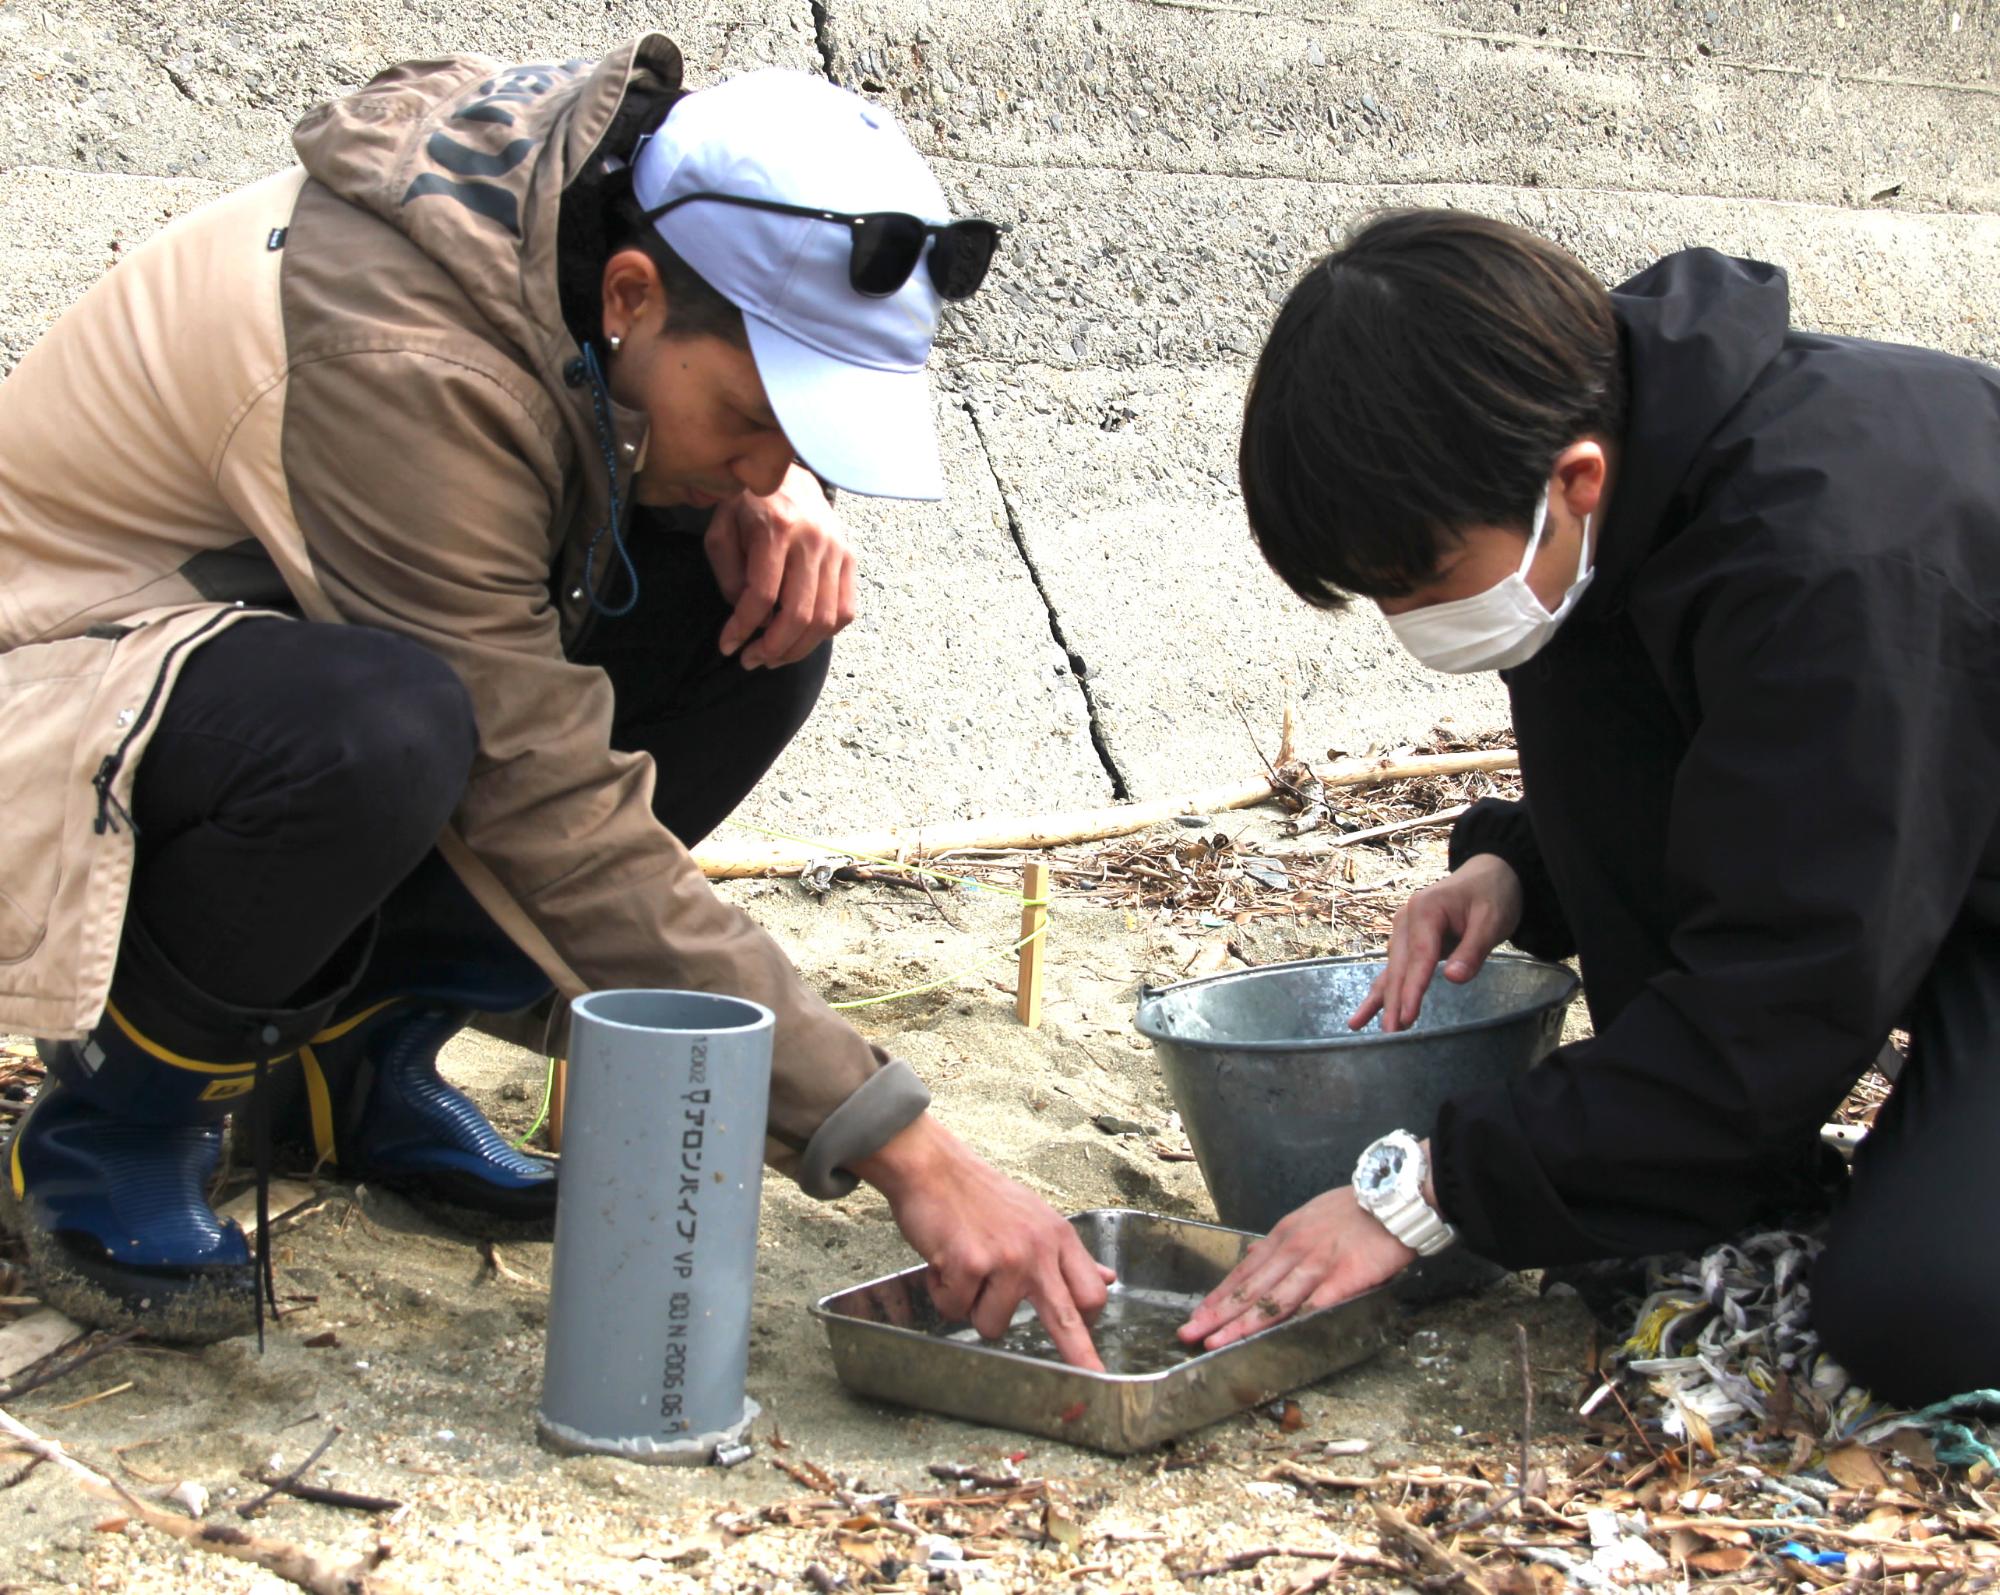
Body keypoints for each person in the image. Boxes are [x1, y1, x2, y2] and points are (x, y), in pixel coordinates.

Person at [0, 37, 1110, 1364]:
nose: (770, 461)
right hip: (73, 694)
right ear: (634, 293)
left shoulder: (590, 222)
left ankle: (356, 1054)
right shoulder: (413, 363)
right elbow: (539, 800)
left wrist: (775, 483)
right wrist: (899, 1141)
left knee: (750, 626)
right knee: (390, 731)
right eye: (759, 417)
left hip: (269, 640)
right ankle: (116, 1116)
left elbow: (632, 401)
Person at [1184, 208, 2000, 1406]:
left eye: (1416, 583)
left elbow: (1785, 981)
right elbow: (1736, 785)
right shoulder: (1596, 475)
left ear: (1574, 480)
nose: (1412, 625)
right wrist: (1517, 870)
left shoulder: (1834, 558)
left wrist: (1424, 1189)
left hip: (1942, 874)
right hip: (1933, 843)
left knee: (1926, 1308)